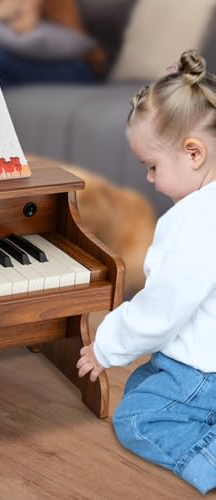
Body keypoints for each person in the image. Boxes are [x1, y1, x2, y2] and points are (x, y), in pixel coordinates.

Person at [76, 50, 216, 494]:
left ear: (194, 153)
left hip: (203, 371)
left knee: (136, 418)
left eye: (152, 166)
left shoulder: (194, 220)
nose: (151, 181)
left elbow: (161, 312)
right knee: (144, 379)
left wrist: (106, 345)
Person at [0, 0, 106, 87]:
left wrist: (1, 12)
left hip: (76, 68)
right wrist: (5, 12)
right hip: (27, 62)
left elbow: (24, 28)